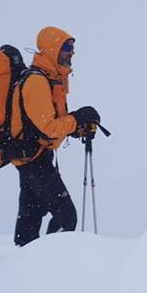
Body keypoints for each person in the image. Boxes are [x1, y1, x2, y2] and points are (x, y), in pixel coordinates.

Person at [9, 26, 100, 246]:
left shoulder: (49, 79)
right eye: (67, 47)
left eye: (72, 47)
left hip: (33, 156)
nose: (72, 52)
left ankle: (19, 266)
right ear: (52, 49)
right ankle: (50, 265)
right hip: (35, 160)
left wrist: (76, 128)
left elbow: (48, 125)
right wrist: (77, 120)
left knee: (31, 218)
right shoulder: (37, 82)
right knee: (66, 215)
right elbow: (48, 127)